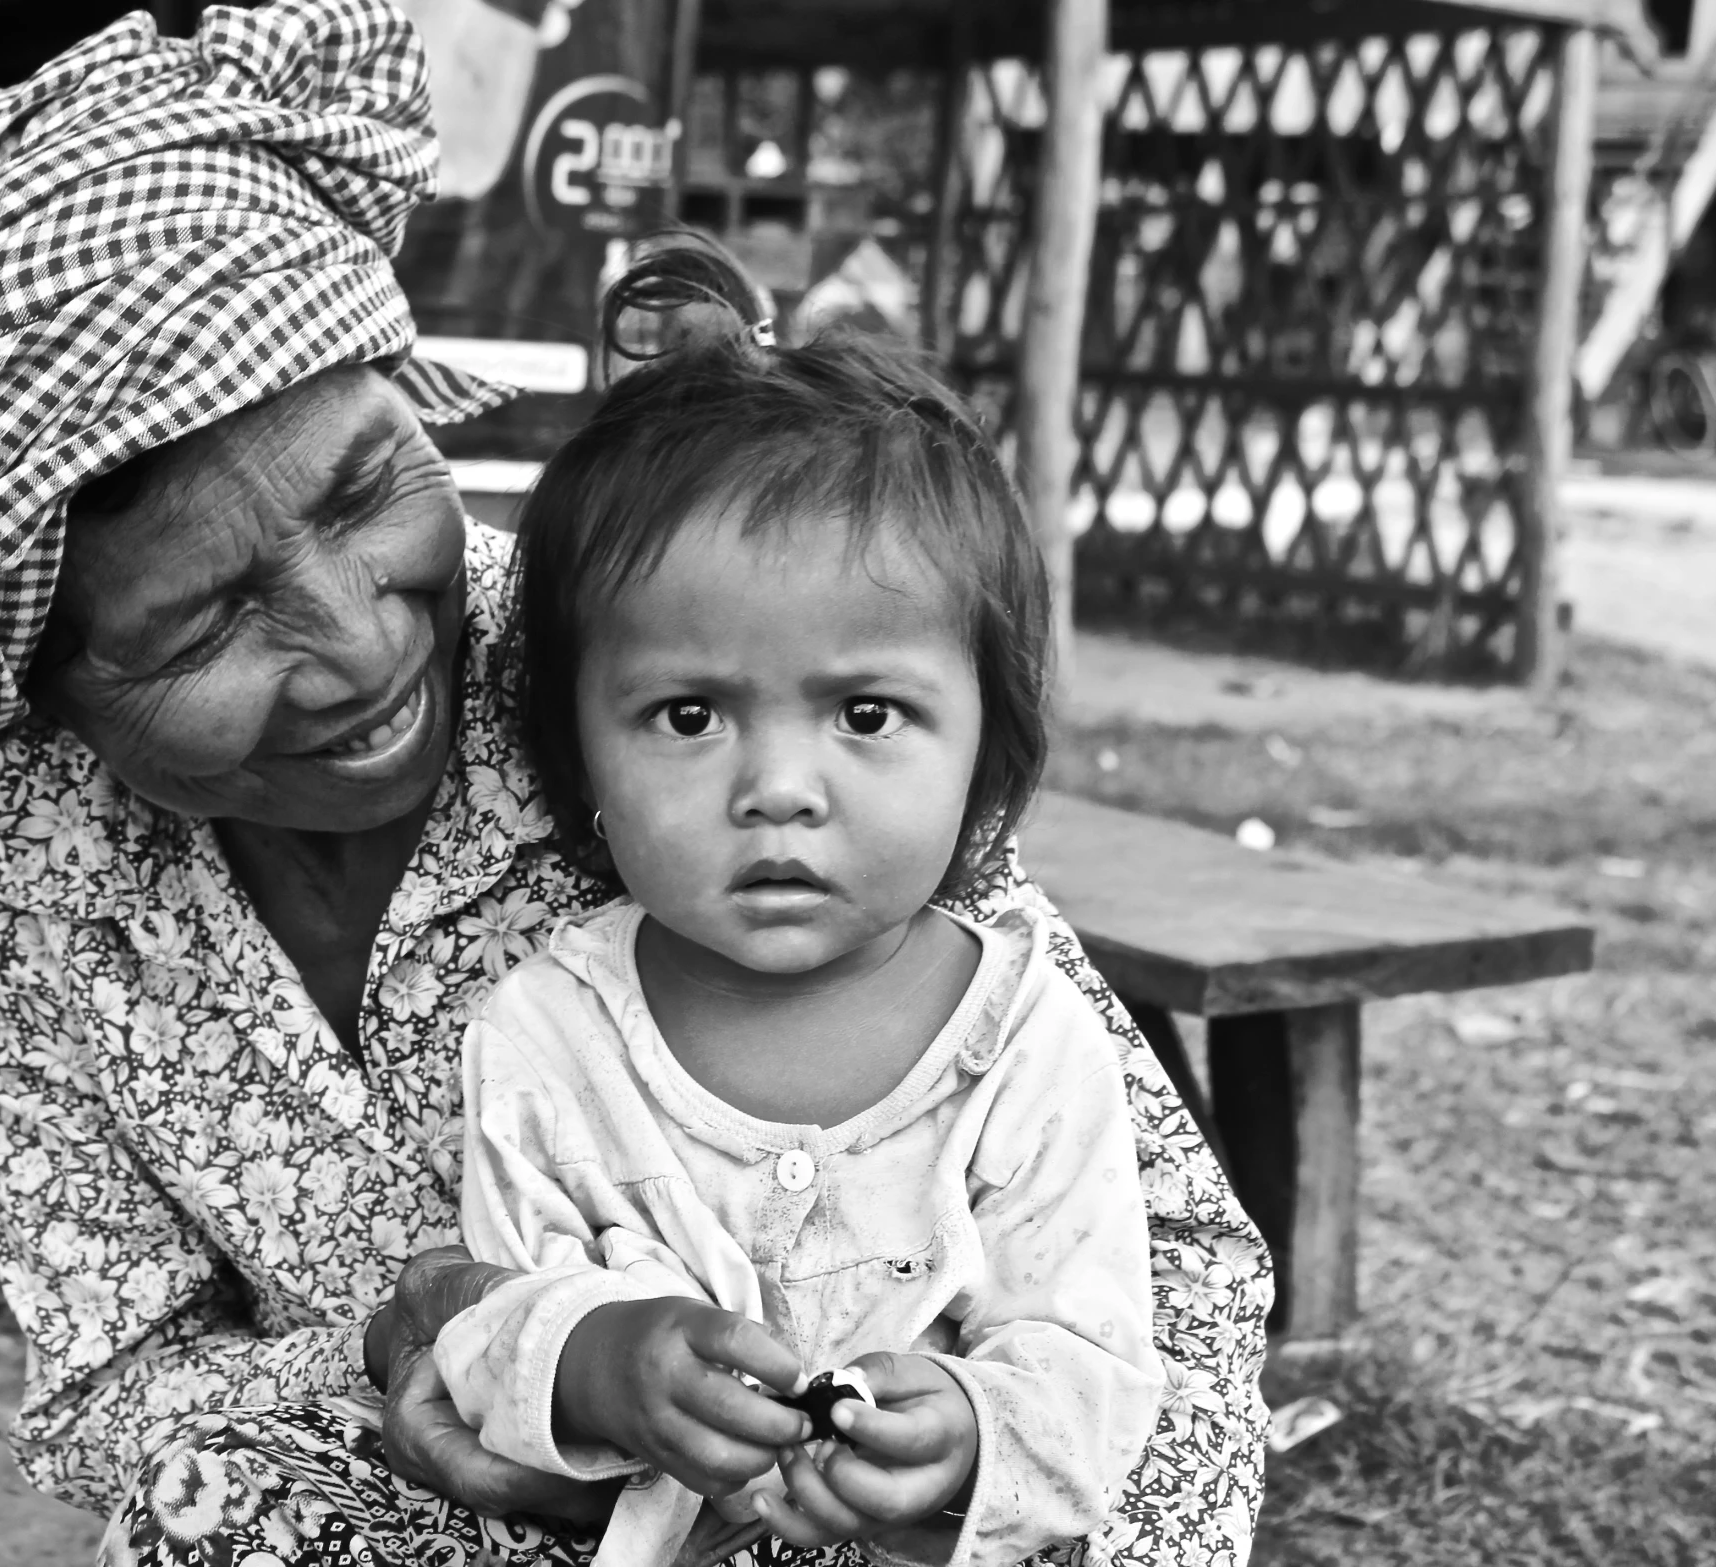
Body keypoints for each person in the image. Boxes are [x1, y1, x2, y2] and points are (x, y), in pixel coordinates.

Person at [0, 5, 1272, 1566]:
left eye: (362, 489)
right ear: (36, 688)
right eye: (204, 620)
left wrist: (967, 1464)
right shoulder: (12, 858)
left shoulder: (675, 659)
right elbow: (122, 1377)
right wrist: (446, 1387)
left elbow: (1176, 1294)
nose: (356, 644)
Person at [417, 246, 1160, 1567]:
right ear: (575, 755)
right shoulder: (545, 1038)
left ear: (985, 747)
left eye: (865, 714)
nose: (773, 787)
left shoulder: (1025, 1046)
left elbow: (1098, 1366)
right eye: (687, 714)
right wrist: (587, 1360)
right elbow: (490, 1320)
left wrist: (977, 1428)